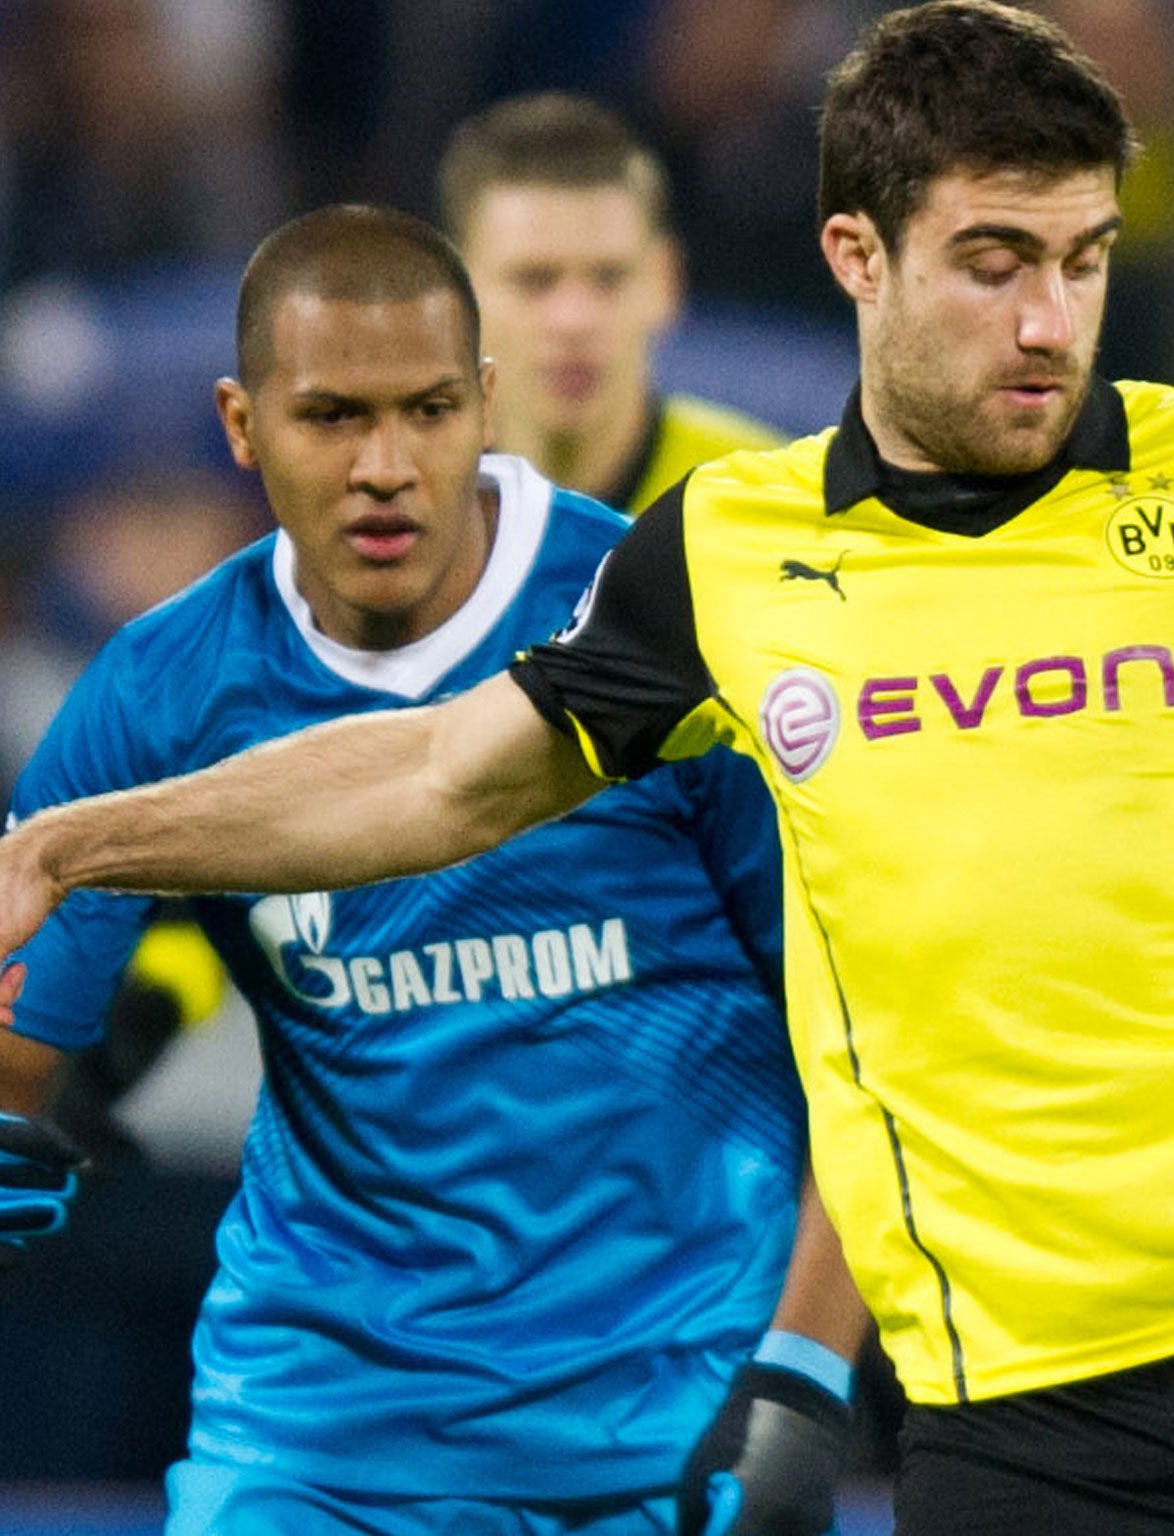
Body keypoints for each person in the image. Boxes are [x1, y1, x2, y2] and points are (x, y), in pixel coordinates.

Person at [0, 7, 1174, 1532]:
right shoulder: (725, 557)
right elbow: (431, 783)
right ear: (859, 255)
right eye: (993, 262)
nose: (1048, 322)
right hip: (1035, 1441)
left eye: (1083, 259)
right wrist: (79, 842)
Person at [0, 204, 870, 1536]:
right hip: (312, 1445)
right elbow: (23, 1060)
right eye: (333, 417)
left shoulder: (668, 630)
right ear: (241, 426)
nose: (387, 467)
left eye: (427, 411)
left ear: (487, 406)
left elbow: (872, 1043)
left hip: (659, 1443)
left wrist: (805, 1376)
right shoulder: (159, 696)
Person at [439, 90, 783, 515]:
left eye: (609, 278)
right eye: (534, 281)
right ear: (454, 297)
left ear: (667, 282)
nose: (574, 320)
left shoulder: (770, 505)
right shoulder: (395, 510)